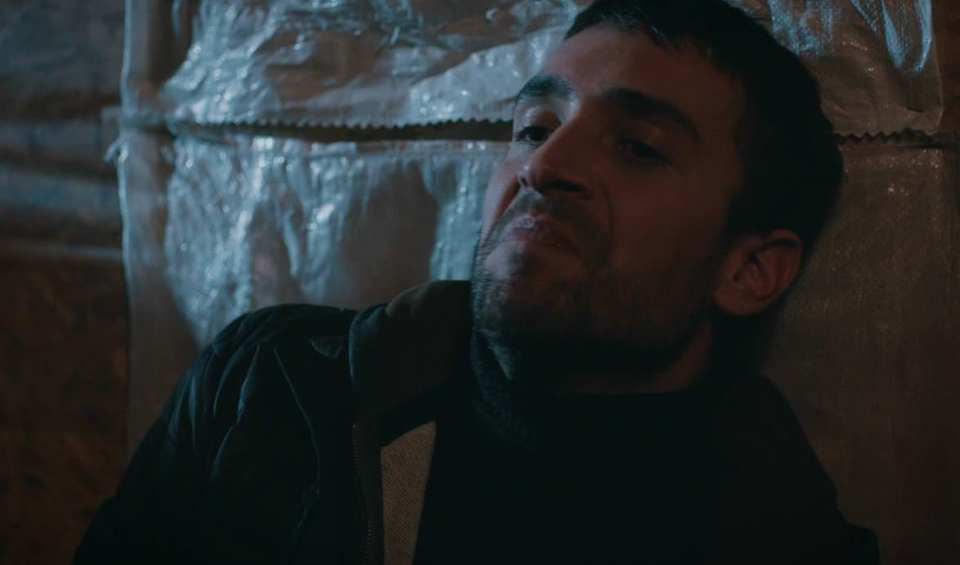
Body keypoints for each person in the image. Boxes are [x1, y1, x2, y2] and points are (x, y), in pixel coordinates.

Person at [75, 0, 880, 563]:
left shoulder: (779, 539)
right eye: (534, 126)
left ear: (749, 269)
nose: (544, 165)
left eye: (639, 147)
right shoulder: (269, 389)